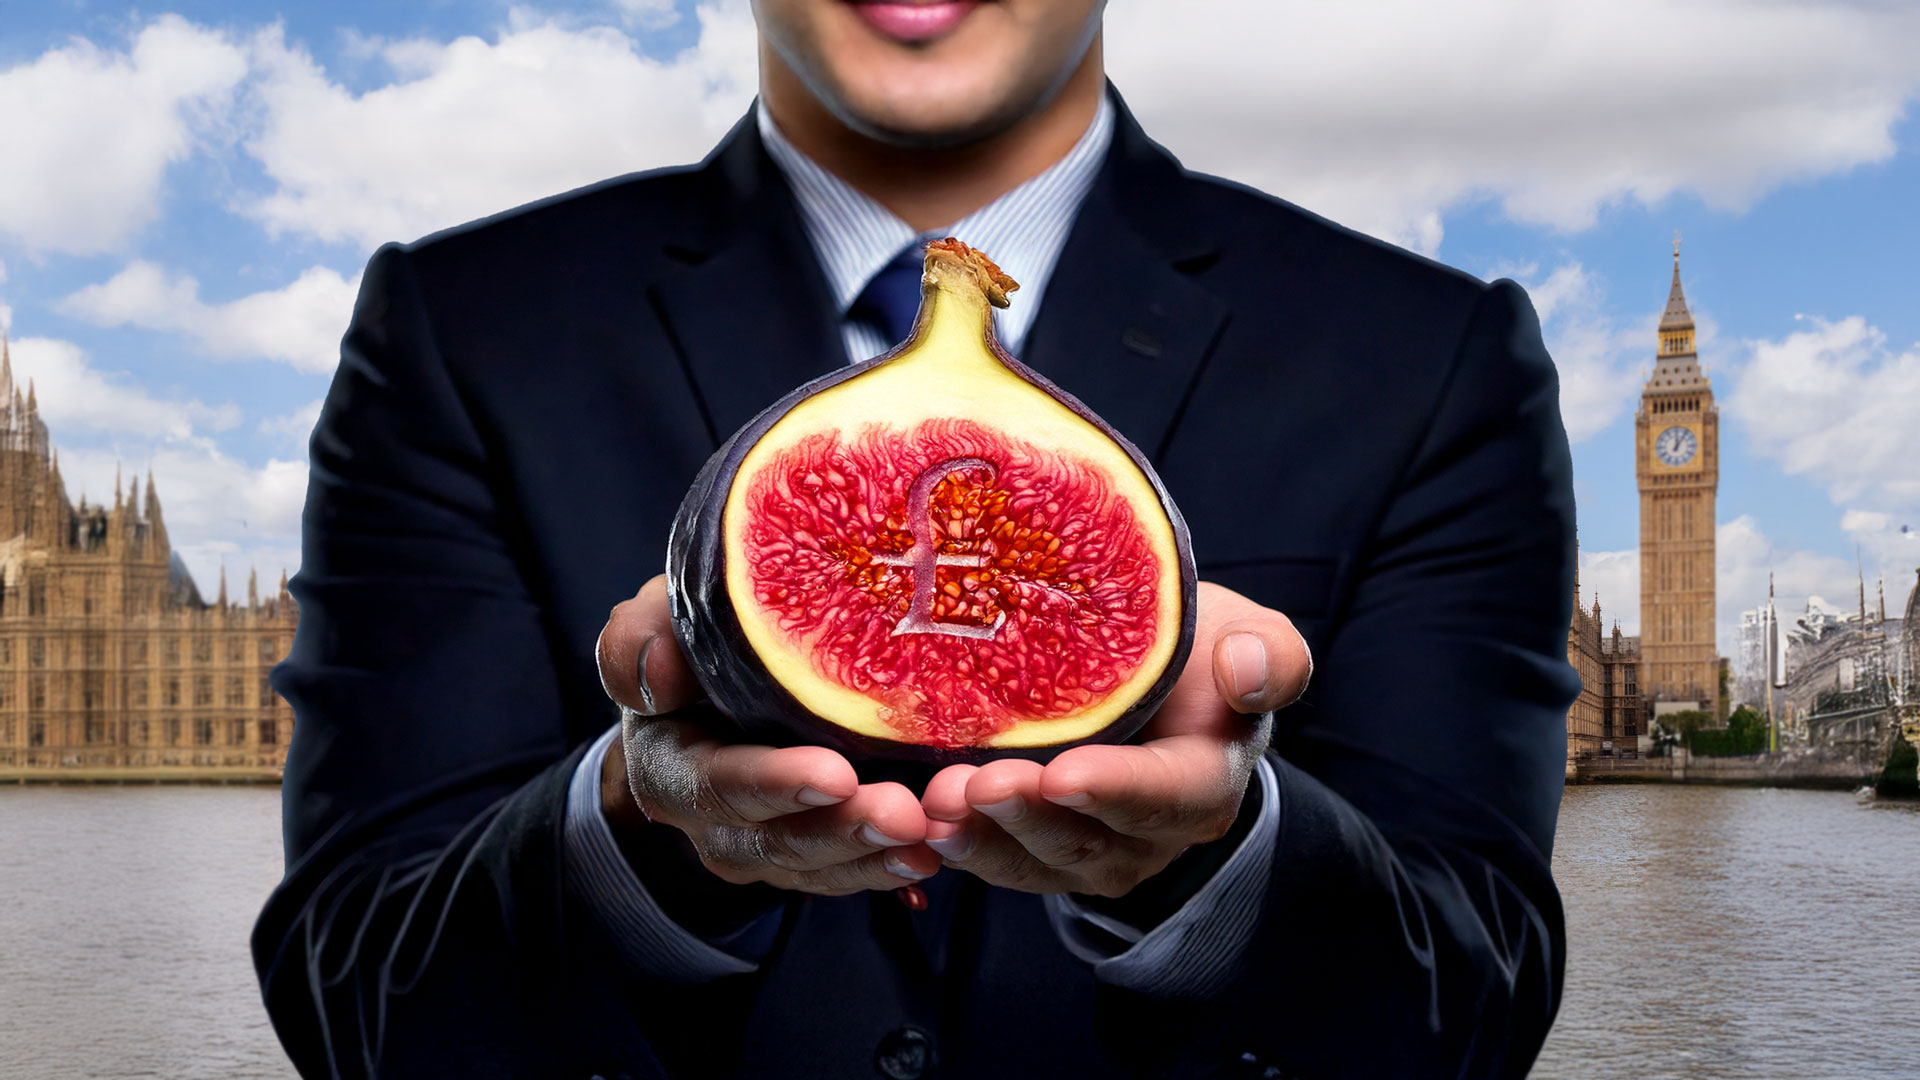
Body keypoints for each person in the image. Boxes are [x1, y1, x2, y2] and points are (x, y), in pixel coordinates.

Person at [252, 2, 1581, 1077]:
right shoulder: (458, 330)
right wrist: (641, 835)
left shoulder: (1431, 357)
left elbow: (1473, 1008)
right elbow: (361, 999)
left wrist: (1222, 866)